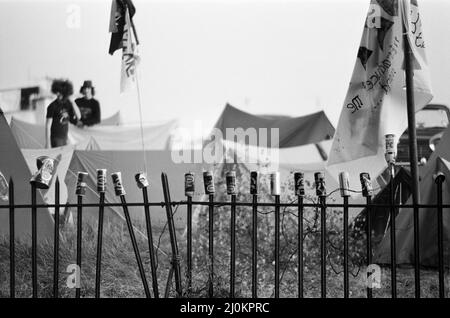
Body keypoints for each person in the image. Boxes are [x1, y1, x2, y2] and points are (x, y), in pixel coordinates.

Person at [45, 79, 81, 148]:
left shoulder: (68, 104)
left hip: (66, 138)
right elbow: (48, 125)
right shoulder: (52, 106)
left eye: (60, 91)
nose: (57, 93)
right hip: (56, 139)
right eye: (56, 91)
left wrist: (72, 101)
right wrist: (48, 143)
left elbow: (79, 116)